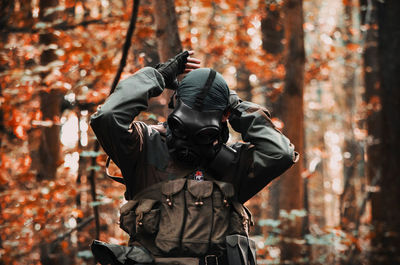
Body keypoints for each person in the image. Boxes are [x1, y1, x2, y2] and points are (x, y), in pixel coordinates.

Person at [89, 51, 298, 265]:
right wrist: (156, 77)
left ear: (223, 116)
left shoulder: (232, 164)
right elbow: (107, 117)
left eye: (202, 131)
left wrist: (234, 105)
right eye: (183, 125)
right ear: (174, 103)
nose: (188, 140)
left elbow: (281, 153)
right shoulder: (145, 147)